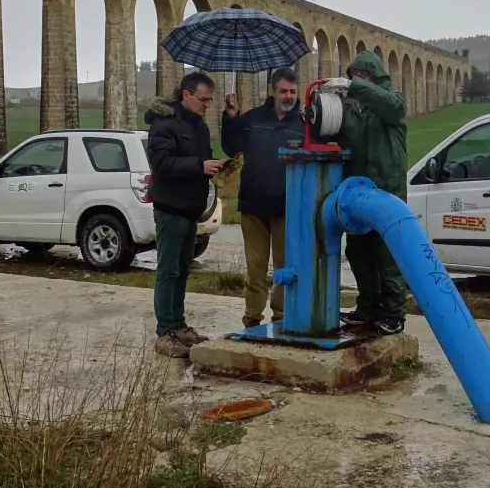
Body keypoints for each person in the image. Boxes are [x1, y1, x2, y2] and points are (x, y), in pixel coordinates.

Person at [320, 50, 409, 335]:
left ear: (374, 77)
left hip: (386, 191)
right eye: (353, 75)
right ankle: (368, 307)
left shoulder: (392, 101)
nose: (356, 79)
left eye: (362, 75)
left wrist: (355, 87)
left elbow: (392, 107)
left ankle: (394, 313)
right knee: (358, 251)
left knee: (388, 254)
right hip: (356, 192)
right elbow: (330, 131)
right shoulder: (350, 109)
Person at [145, 71, 225, 357]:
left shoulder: (200, 127)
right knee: (168, 271)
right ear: (186, 95)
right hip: (170, 208)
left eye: (210, 100)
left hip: (191, 209)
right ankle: (164, 332)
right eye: (203, 99)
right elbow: (162, 165)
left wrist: (218, 167)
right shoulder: (164, 124)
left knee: (182, 270)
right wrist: (198, 166)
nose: (207, 105)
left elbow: (202, 160)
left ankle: (178, 325)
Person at [221, 68, 305, 328]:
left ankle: (281, 317)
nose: (288, 96)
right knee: (255, 267)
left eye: (292, 91)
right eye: (283, 91)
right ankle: (252, 319)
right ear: (272, 91)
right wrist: (232, 117)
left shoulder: (305, 124)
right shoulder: (252, 118)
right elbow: (231, 146)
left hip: (287, 207)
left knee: (284, 267)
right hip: (253, 204)